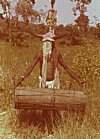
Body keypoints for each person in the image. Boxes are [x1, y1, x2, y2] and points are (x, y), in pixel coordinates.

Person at [15, 30, 85, 135]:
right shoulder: (40, 54)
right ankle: (49, 130)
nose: (47, 45)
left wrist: (79, 80)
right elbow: (30, 68)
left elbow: (67, 68)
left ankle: (56, 127)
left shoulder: (57, 54)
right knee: (45, 107)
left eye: (50, 43)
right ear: (43, 44)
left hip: (54, 82)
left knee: (55, 107)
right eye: (45, 43)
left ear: (53, 44)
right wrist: (20, 79)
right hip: (43, 83)